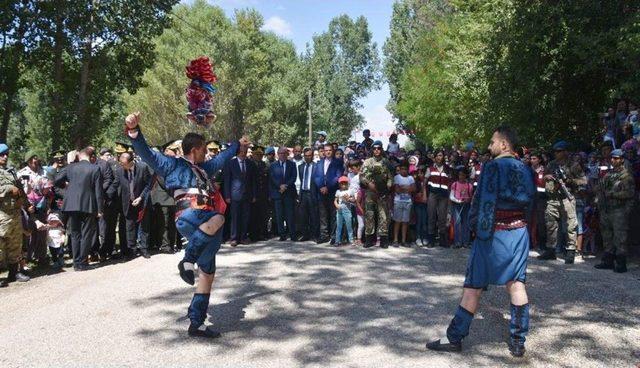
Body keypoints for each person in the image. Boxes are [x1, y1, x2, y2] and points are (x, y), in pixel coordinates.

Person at [125, 111, 247, 338]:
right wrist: (134, 131)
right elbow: (145, 153)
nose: (208, 153)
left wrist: (236, 145)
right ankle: (187, 260)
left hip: (204, 224)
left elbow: (221, 159)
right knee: (219, 218)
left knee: (208, 274)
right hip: (190, 215)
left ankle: (196, 323)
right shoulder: (171, 164)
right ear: (196, 149)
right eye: (204, 150)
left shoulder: (204, 168)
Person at [426, 126, 535, 357]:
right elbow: (530, 203)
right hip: (518, 232)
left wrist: (477, 230)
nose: (489, 146)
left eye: (493, 142)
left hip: (492, 235)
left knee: (472, 287)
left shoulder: (492, 167)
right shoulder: (526, 169)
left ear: (504, 144)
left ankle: (454, 338)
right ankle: (518, 341)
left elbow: (482, 202)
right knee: (517, 285)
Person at [537, 141, 587, 264]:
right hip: (553, 198)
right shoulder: (551, 164)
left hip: (567, 197)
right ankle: (551, 250)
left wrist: (569, 181)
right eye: (555, 151)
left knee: (570, 225)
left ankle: (570, 251)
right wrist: (547, 177)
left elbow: (583, 181)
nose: (556, 153)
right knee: (550, 224)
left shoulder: (573, 165)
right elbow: (544, 177)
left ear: (565, 152)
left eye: (559, 151)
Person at [55, 148, 103, 271]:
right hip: (88, 204)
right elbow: (98, 191)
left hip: (71, 204)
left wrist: (66, 187)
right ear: (89, 156)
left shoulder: (70, 167)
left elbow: (56, 180)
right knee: (86, 234)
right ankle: (83, 262)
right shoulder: (95, 168)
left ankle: (76, 262)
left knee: (75, 233)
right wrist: (100, 209)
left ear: (79, 156)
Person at [594, 149, 635, 273]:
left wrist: (612, 194)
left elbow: (629, 193)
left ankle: (621, 263)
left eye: (616, 158)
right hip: (606, 209)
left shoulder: (626, 175)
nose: (613, 160)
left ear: (622, 159)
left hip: (619, 210)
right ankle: (608, 261)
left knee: (619, 238)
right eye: (612, 158)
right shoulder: (609, 174)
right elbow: (600, 189)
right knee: (607, 236)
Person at [0, 143, 30, 287]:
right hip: (2, 214)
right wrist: (8, 189)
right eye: (1, 155)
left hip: (15, 214)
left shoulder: (10, 171)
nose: (5, 157)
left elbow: (19, 190)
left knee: (15, 244)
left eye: (6, 154)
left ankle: (14, 273)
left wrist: (25, 201)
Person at [113, 151, 152, 259]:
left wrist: (141, 197)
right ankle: (132, 250)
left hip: (141, 201)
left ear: (131, 162)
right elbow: (115, 185)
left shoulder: (142, 168)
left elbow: (149, 184)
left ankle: (144, 249)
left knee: (144, 226)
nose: (121, 165)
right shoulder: (120, 171)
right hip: (128, 203)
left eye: (123, 163)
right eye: (120, 162)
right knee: (129, 227)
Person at [18, 151, 50, 266]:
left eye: (36, 158)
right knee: (28, 234)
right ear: (28, 160)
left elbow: (48, 190)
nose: (35, 161)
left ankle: (42, 258)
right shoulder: (21, 173)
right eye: (32, 159)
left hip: (41, 205)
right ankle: (26, 259)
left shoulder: (44, 172)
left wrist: (48, 205)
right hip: (28, 207)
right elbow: (20, 193)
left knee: (42, 233)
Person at [360, 140, 393, 248]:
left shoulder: (386, 162)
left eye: (378, 148)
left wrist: (387, 188)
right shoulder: (367, 162)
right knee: (369, 215)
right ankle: (369, 239)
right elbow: (362, 176)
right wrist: (369, 184)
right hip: (370, 192)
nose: (376, 150)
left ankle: (383, 240)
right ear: (372, 150)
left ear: (382, 149)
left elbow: (391, 177)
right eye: (374, 148)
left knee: (383, 216)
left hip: (382, 193)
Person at [223, 145, 256, 246]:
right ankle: (234, 238)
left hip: (247, 194)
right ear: (238, 152)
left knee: (245, 217)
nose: (244, 153)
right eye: (242, 151)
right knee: (235, 217)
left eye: (245, 151)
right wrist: (227, 195)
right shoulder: (230, 163)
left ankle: (243, 237)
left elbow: (253, 181)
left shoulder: (250, 163)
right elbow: (227, 180)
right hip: (234, 195)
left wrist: (254, 195)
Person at [313, 143, 343, 244]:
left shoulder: (338, 162)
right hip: (321, 192)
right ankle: (324, 235)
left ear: (332, 151)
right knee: (323, 215)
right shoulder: (319, 163)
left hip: (332, 192)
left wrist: (327, 187)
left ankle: (334, 236)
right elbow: (316, 177)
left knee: (334, 215)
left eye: (330, 150)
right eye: (326, 150)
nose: (328, 152)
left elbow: (337, 177)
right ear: (323, 152)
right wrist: (321, 186)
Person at [269, 147, 297, 241]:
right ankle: (282, 235)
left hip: (289, 193)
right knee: (279, 215)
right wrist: (279, 186)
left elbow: (293, 177)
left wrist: (285, 186)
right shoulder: (273, 165)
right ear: (277, 154)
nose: (282, 155)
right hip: (277, 193)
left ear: (287, 154)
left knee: (290, 214)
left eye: (284, 153)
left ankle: (292, 234)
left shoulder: (292, 164)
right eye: (281, 153)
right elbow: (272, 178)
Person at [426, 150, 452, 247]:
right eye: (437, 155)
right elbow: (425, 181)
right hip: (433, 194)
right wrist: (425, 194)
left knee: (442, 217)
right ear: (435, 157)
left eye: (440, 155)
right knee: (431, 216)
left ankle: (442, 240)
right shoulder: (430, 169)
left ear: (443, 157)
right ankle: (431, 240)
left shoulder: (448, 169)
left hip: (444, 196)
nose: (439, 157)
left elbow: (450, 183)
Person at [297, 147, 319, 242]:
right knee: (303, 216)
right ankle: (305, 234)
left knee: (314, 215)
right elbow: (301, 180)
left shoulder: (317, 166)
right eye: (305, 156)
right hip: (303, 194)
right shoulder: (300, 167)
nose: (307, 157)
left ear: (313, 156)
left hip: (312, 193)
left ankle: (314, 235)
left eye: (309, 155)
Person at [449, 166, 473, 248]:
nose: (461, 177)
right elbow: (451, 196)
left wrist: (468, 200)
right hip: (457, 205)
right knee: (457, 223)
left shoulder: (469, 185)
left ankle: (466, 242)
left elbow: (471, 197)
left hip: (466, 206)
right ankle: (457, 242)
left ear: (466, 175)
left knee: (466, 223)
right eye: (460, 175)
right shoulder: (454, 184)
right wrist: (458, 201)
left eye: (463, 175)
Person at [249, 146, 269, 242]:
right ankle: (253, 234)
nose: (259, 156)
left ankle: (262, 233)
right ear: (253, 155)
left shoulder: (263, 164)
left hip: (263, 194)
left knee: (263, 214)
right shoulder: (250, 164)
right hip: (254, 194)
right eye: (257, 155)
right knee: (253, 215)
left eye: (260, 155)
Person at [392, 161, 415, 247]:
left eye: (405, 169)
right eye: (402, 169)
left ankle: (403, 240)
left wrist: (403, 188)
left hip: (407, 202)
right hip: (398, 201)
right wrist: (407, 188)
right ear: (400, 169)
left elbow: (413, 189)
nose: (404, 171)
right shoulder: (396, 177)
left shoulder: (411, 178)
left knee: (405, 222)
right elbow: (397, 190)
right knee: (397, 221)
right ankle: (395, 240)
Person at [529, 151, 546, 250]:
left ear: (539, 160)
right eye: (531, 159)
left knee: (541, 221)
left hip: (541, 199)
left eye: (534, 158)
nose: (532, 160)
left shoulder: (544, 170)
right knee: (530, 221)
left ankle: (541, 243)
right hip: (530, 199)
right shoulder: (527, 169)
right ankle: (530, 242)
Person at [334, 176, 354, 246]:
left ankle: (351, 240)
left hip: (347, 210)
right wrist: (336, 205)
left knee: (349, 226)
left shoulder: (350, 191)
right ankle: (337, 240)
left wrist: (348, 199)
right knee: (339, 226)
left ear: (347, 184)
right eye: (342, 184)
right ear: (339, 184)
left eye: (345, 184)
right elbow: (335, 200)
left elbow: (354, 200)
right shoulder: (338, 191)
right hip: (339, 210)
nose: (343, 185)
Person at [413, 166, 428, 246]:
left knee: (425, 221)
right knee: (419, 221)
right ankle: (418, 237)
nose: (419, 175)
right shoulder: (416, 182)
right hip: (418, 203)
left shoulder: (428, 183)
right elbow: (413, 193)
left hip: (425, 204)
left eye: (421, 173)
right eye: (418, 173)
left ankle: (425, 237)